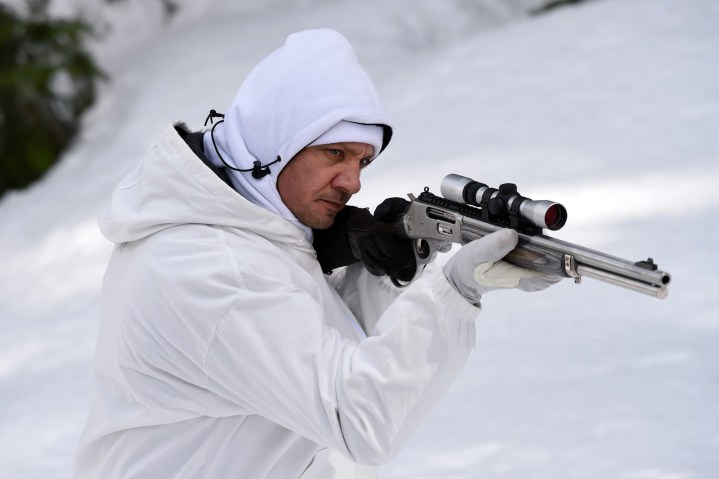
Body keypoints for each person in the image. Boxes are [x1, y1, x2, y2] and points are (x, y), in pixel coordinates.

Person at [74, 29, 559, 478]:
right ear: (274, 145)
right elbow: (359, 418)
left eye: (363, 160)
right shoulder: (212, 267)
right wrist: (453, 292)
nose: (354, 181)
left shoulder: (245, 231)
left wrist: (390, 271)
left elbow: (315, 348)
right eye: (335, 153)